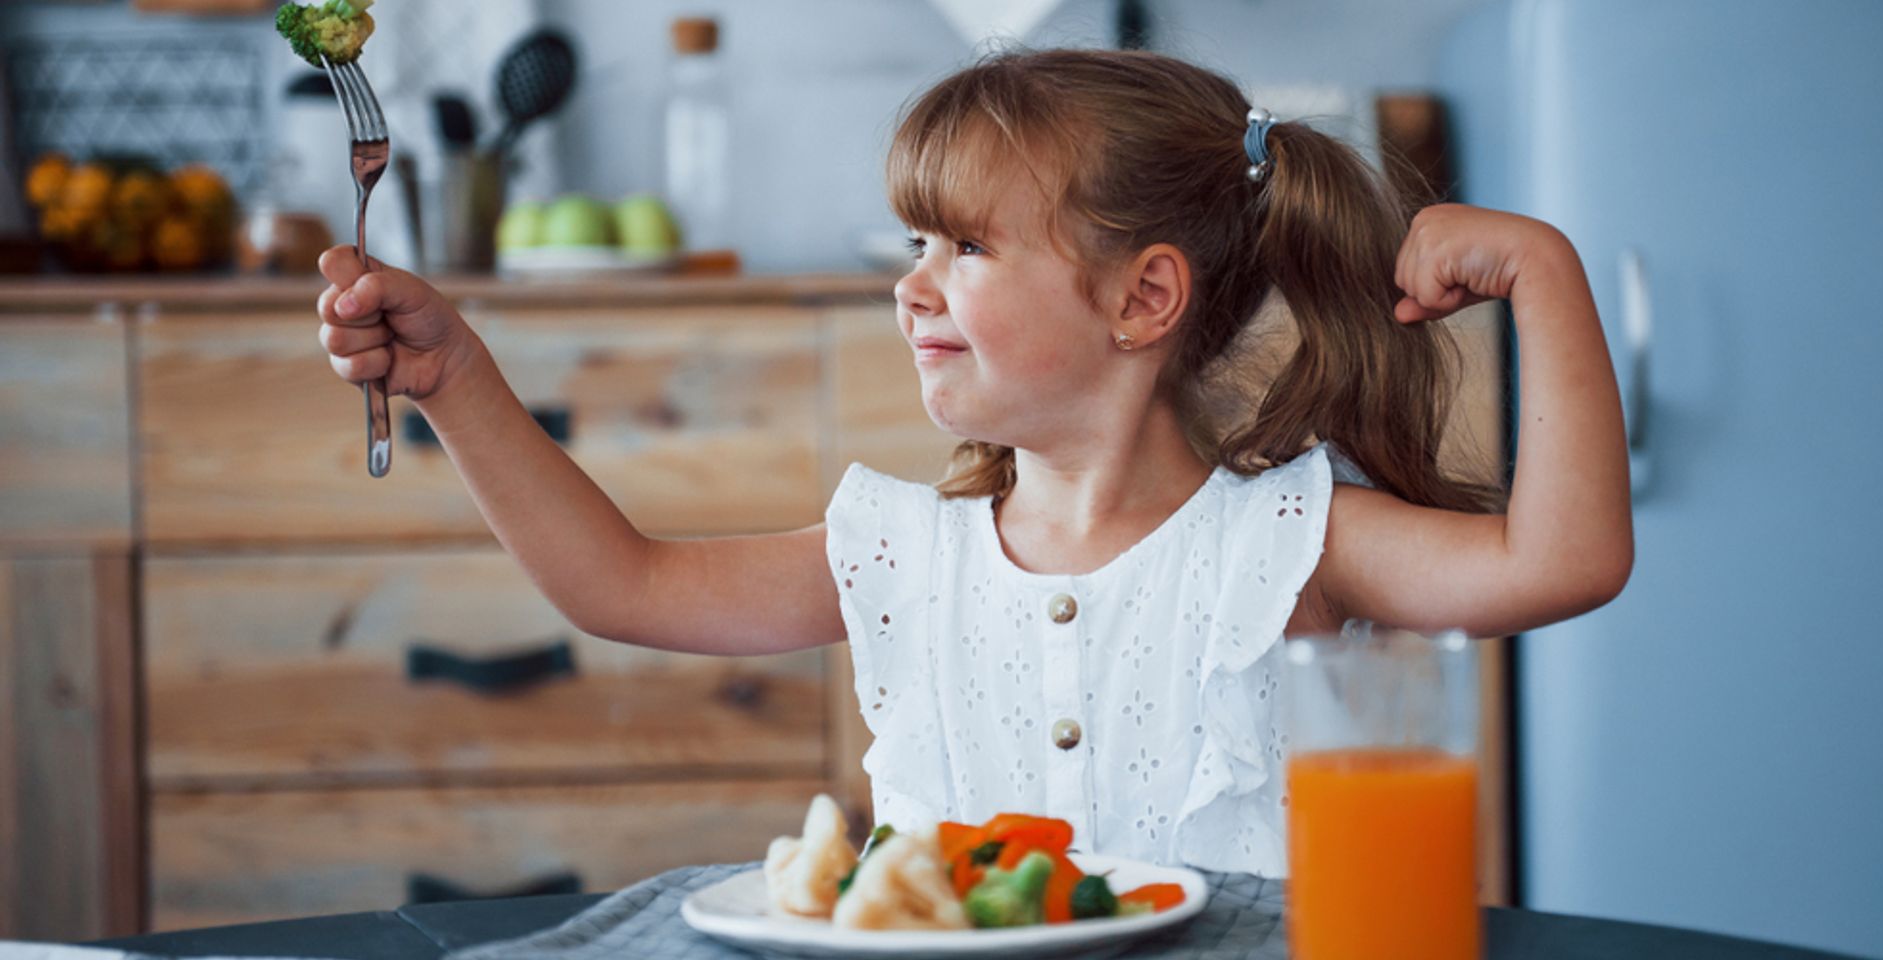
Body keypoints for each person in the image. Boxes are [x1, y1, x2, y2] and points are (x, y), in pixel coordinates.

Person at [313, 48, 1632, 876]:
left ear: (1142, 298)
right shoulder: (903, 554)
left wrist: (1547, 277)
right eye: (913, 249)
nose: (914, 289)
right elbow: (624, 585)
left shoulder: (1292, 544)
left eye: (966, 250)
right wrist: (459, 384)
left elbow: (1563, 560)